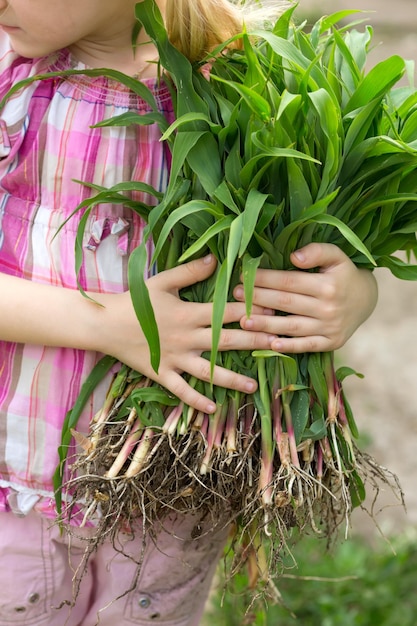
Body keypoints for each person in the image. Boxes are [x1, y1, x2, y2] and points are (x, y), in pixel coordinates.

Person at [0, 0, 378, 624]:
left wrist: (352, 294)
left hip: (177, 484)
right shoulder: (13, 80)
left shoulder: (245, 85)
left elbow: (310, 232)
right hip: (18, 473)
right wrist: (106, 324)